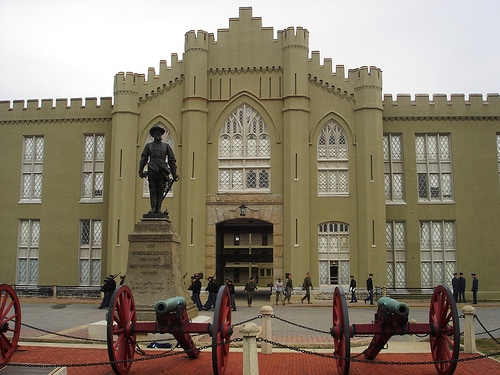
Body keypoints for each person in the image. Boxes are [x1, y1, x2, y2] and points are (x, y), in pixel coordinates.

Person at [138, 124, 178, 215]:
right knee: (152, 188)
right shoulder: (148, 146)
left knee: (161, 189)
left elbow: (172, 161)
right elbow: (144, 158)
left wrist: (174, 173)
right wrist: (140, 170)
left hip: (162, 170)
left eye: (159, 133)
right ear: (153, 135)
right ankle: (153, 206)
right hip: (152, 169)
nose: (158, 134)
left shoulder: (166, 146)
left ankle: (158, 207)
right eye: (156, 133)